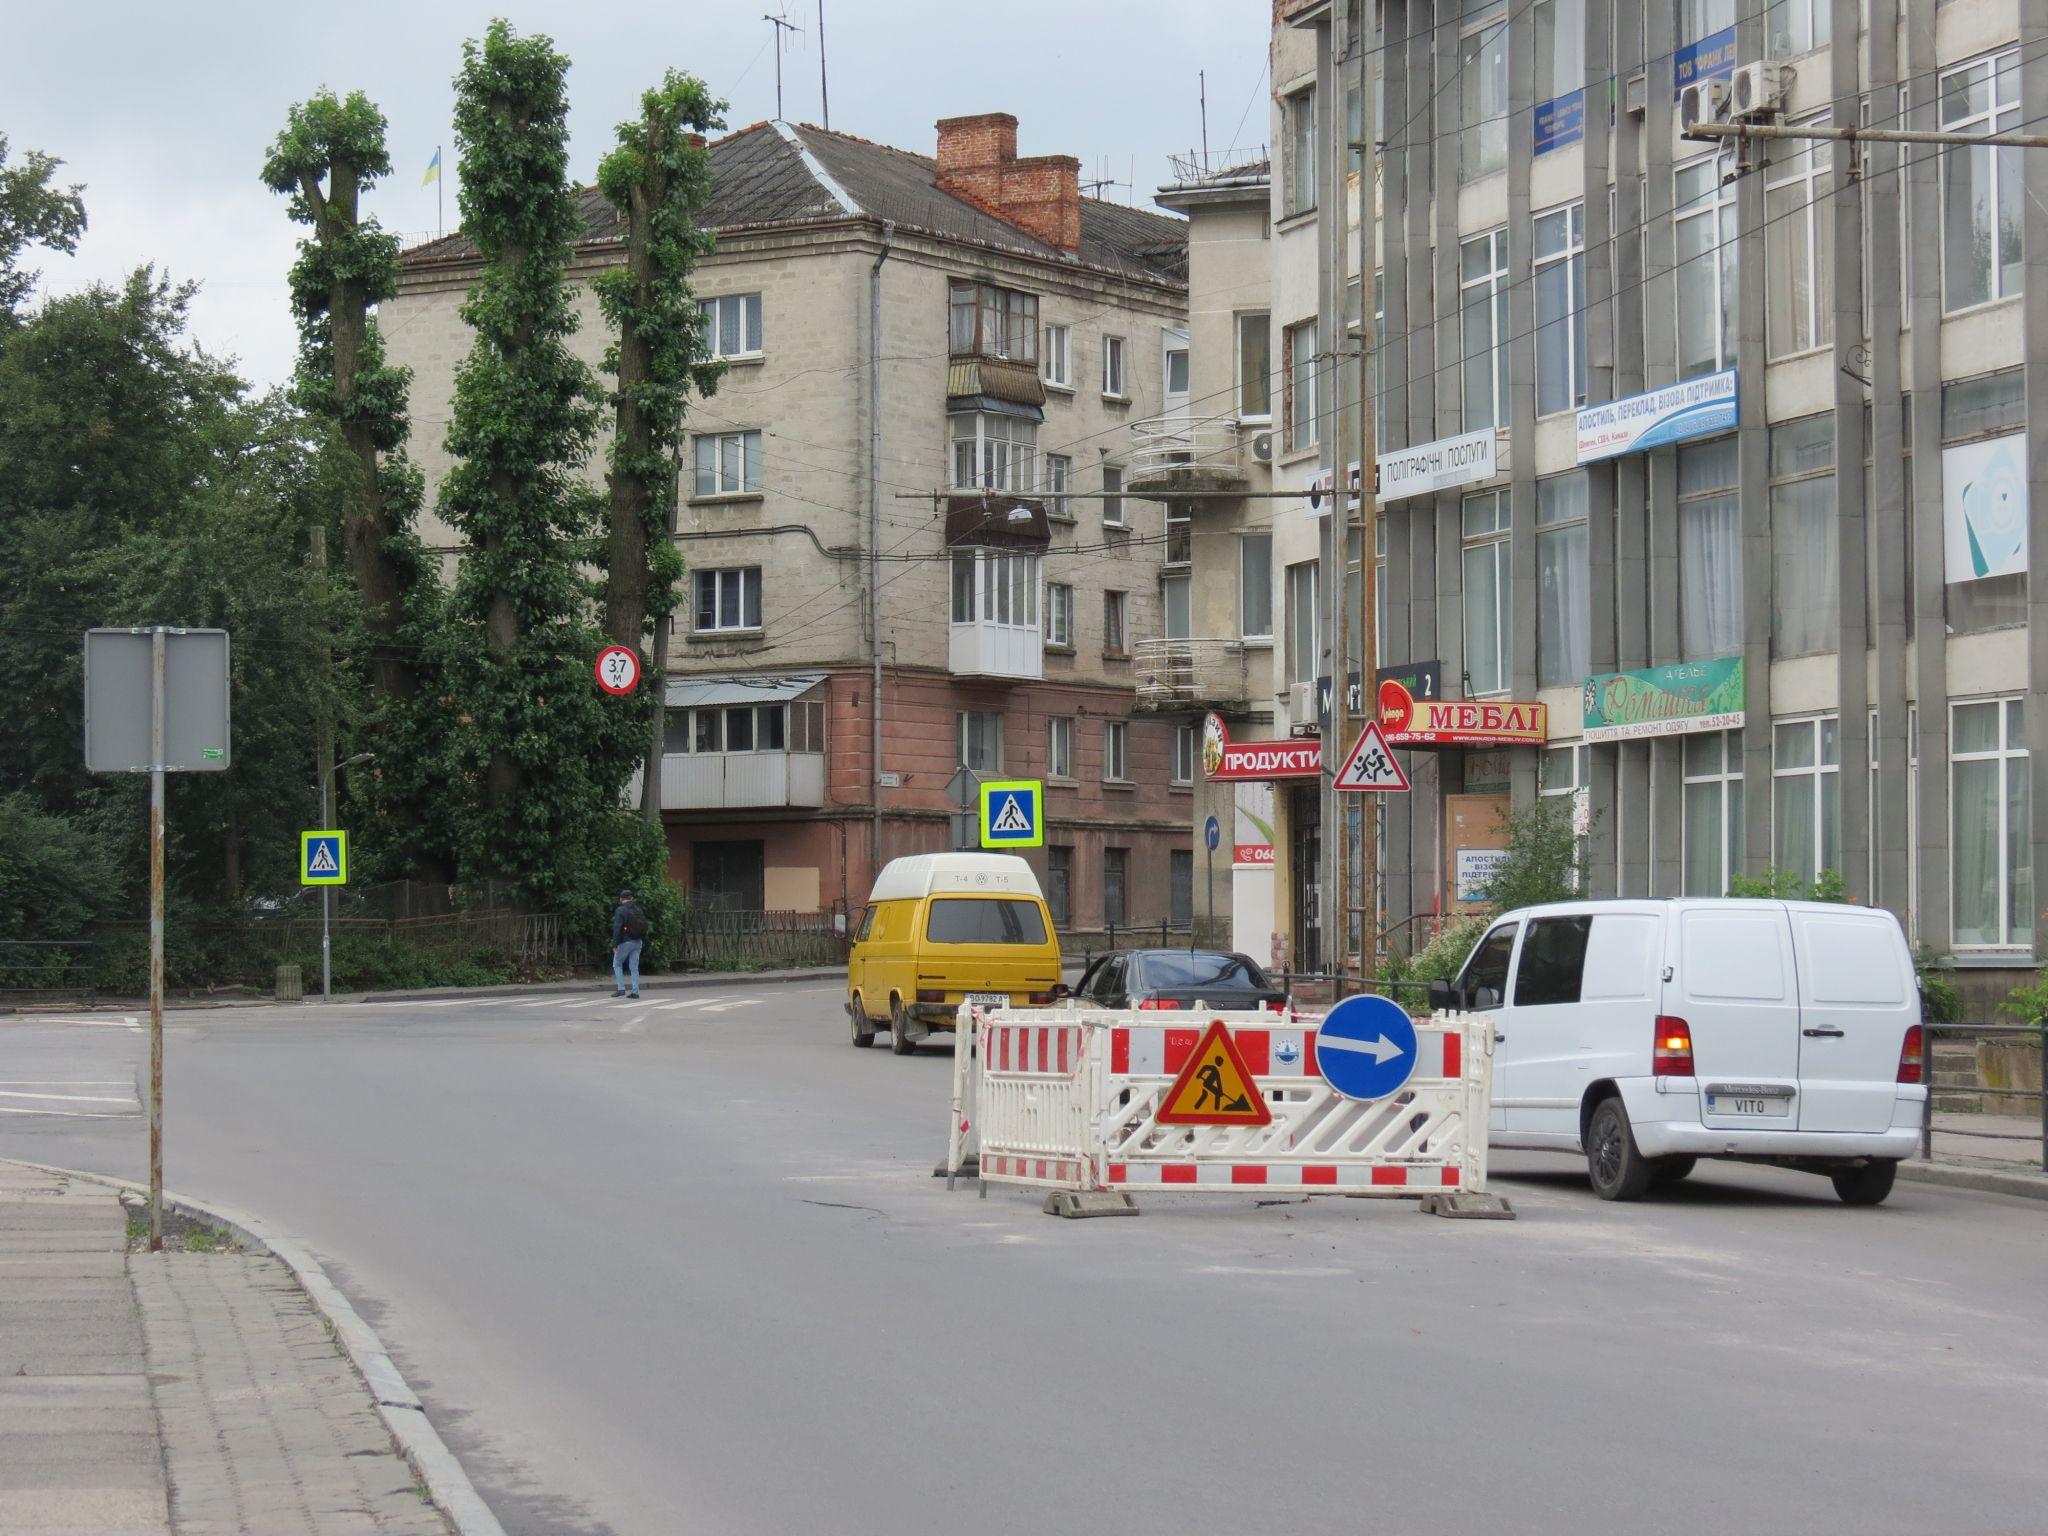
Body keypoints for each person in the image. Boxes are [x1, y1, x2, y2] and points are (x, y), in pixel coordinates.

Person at [610, 890, 647, 998]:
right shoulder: (638, 909)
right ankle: (635, 992)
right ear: (631, 899)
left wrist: (615, 944)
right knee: (634, 967)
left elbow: (617, 928)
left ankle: (621, 988)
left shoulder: (620, 910)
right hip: (638, 941)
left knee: (617, 963)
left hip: (626, 941)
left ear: (621, 899)